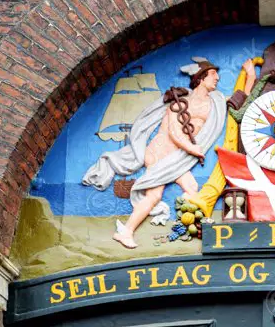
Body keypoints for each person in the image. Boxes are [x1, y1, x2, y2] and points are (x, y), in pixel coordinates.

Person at [82, 59, 256, 250]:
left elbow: (241, 99)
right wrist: (192, 149)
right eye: (213, 75)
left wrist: (251, 74)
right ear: (200, 78)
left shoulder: (215, 102)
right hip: (160, 152)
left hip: (178, 157)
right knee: (155, 195)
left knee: (191, 187)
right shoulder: (179, 102)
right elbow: (173, 131)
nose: (218, 78)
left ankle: (190, 225)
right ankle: (126, 232)